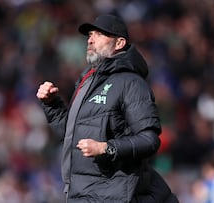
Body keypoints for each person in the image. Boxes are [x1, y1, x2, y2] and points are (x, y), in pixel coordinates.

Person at [36, 14, 179, 202]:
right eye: (89, 35)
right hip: (81, 193)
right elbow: (72, 134)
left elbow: (149, 140)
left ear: (119, 43)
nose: (90, 39)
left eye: (99, 34)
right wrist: (52, 103)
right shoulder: (86, 81)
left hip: (112, 194)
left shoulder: (131, 82)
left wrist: (106, 148)